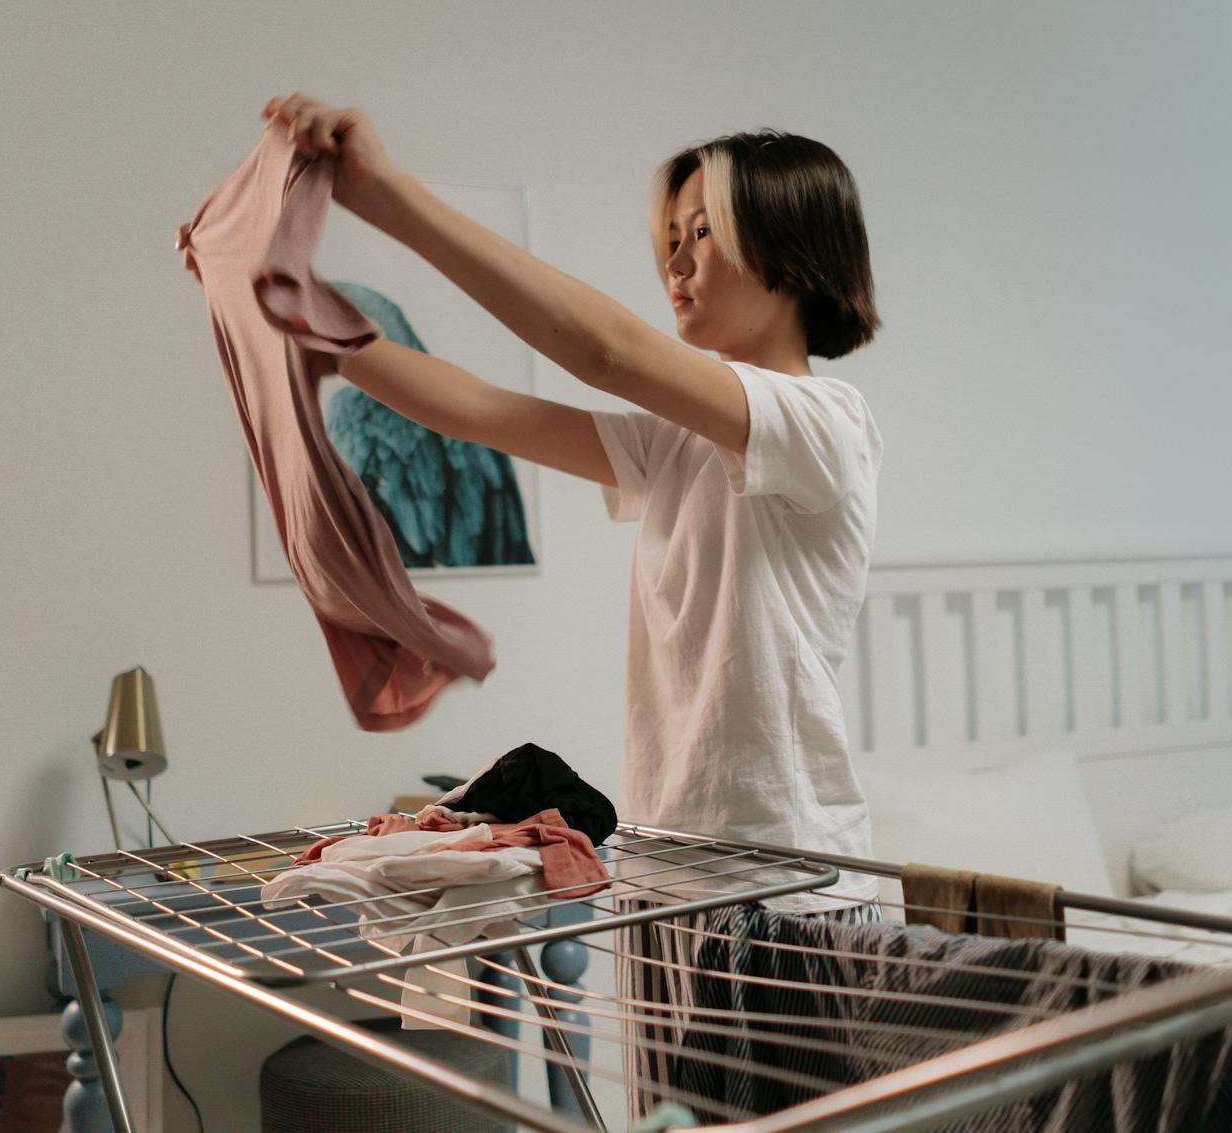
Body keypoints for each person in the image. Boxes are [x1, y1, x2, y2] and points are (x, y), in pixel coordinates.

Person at [258, 94, 886, 921]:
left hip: (792, 881)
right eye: (673, 238)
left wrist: (387, 197)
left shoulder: (824, 422)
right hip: (670, 868)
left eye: (703, 232)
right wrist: (293, 318)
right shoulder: (677, 441)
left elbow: (606, 353)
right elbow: (475, 411)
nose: (677, 262)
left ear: (795, 250)